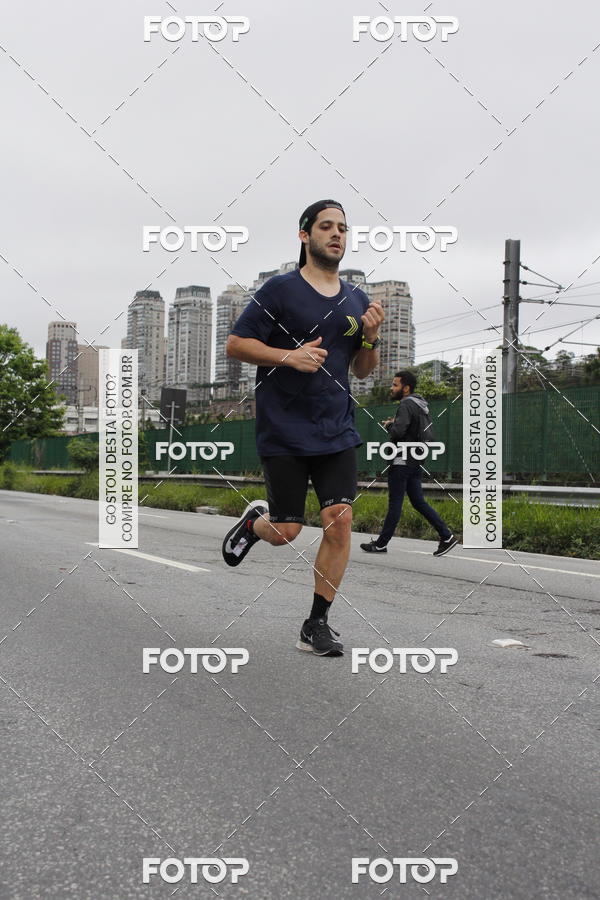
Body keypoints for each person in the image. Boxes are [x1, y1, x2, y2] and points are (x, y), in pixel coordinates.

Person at [221, 199, 384, 657]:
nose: (337, 234)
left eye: (343, 228)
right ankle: (255, 523)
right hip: (284, 428)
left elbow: (363, 370)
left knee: (340, 521)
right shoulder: (279, 290)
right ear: (304, 235)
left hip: (336, 428)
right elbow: (236, 344)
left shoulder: (357, 299)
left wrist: (371, 338)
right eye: (326, 226)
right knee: (287, 531)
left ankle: (316, 624)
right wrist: (288, 356)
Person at [360, 371, 458, 557]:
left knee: (395, 502)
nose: (391, 388)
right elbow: (412, 429)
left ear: (406, 388)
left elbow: (398, 432)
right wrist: (395, 423)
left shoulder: (406, 404)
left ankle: (381, 544)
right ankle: (446, 536)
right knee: (418, 501)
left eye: (395, 385)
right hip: (415, 459)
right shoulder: (420, 405)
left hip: (402, 460)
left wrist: (390, 425)